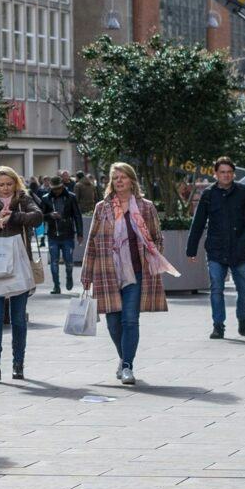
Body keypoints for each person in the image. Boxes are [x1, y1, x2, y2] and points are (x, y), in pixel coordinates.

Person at [85, 162, 173, 386]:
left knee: (130, 320)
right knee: (113, 323)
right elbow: (92, 242)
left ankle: (127, 366)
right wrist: (87, 273)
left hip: (136, 271)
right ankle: (123, 356)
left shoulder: (145, 207)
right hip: (107, 271)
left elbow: (157, 237)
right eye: (115, 178)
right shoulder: (102, 208)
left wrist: (152, 254)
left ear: (132, 181)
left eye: (123, 177)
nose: (119, 182)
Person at [0, 166, 42, 382]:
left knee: (18, 319)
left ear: (15, 184)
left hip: (18, 266)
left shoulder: (23, 199)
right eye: (1, 184)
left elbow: (37, 217)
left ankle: (18, 364)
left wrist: (12, 217)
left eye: (8, 184)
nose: (4, 188)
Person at [186, 156, 245, 341]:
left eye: (229, 172)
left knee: (244, 288)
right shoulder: (209, 194)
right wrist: (191, 249)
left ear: (233, 174)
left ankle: (242, 315)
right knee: (216, 288)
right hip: (216, 248)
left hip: (239, 248)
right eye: (222, 172)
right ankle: (218, 325)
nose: (226, 175)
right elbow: (198, 222)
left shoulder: (243, 192)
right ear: (216, 174)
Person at [34, 173, 81, 293]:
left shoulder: (71, 197)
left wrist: (80, 233)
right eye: (55, 189)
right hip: (53, 235)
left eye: (59, 188)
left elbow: (77, 216)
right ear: (51, 188)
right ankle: (56, 286)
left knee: (69, 262)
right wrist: (50, 215)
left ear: (63, 186)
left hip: (68, 234)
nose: (57, 191)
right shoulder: (46, 198)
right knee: (54, 262)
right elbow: (40, 216)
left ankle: (69, 278)